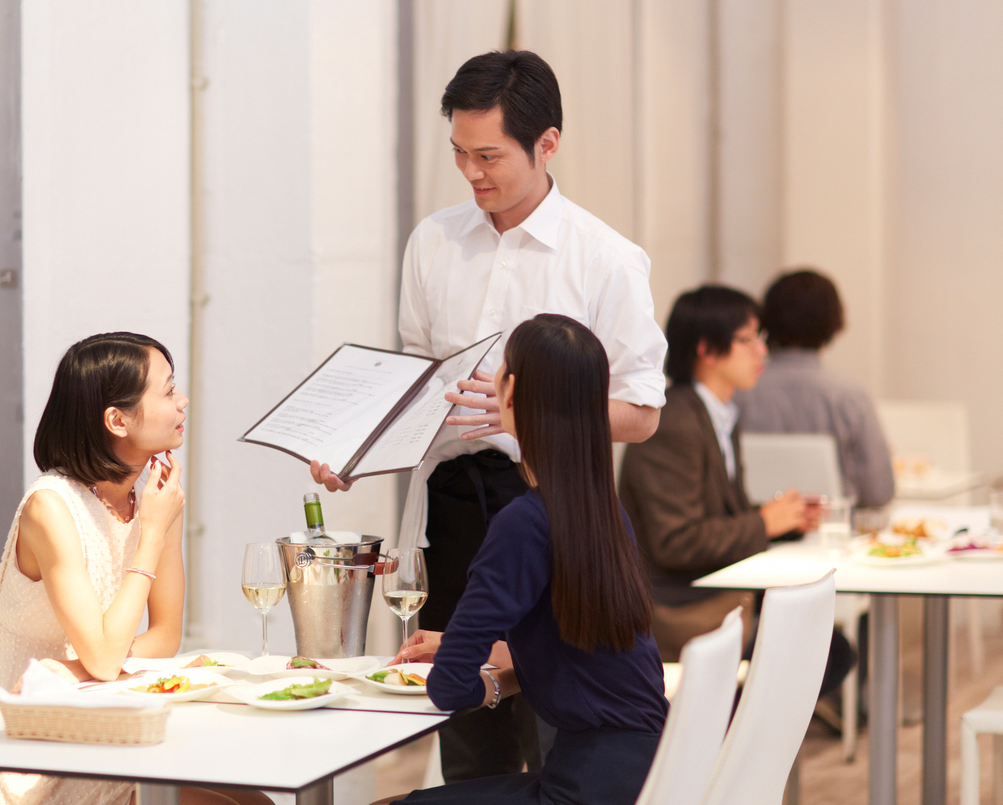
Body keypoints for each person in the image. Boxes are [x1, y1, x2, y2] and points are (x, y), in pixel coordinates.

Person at [311, 50, 667, 781]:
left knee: (554, 726)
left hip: (552, 512)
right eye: (459, 155)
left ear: (547, 144)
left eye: (489, 155)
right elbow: (414, 384)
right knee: (465, 730)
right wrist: (360, 446)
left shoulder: (606, 259)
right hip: (451, 509)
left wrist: (525, 417)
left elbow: (639, 413)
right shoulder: (435, 241)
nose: (473, 174)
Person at [0, 332, 268, 805]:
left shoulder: (156, 500)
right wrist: (151, 535)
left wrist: (69, 670)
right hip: (19, 747)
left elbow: (162, 640)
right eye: (167, 390)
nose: (182, 402)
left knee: (255, 800)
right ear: (117, 419)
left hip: (102, 721)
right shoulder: (50, 508)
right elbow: (102, 658)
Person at [379, 315, 668, 805]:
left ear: (509, 395)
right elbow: (580, 649)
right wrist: (475, 653)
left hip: (579, 789)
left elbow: (448, 688)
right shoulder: (602, 512)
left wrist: (473, 673)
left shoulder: (525, 522)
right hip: (642, 775)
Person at [617, 286, 813, 662]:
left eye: (761, 339)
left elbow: (715, 515)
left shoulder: (718, 413)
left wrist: (785, 519)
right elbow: (677, 541)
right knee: (819, 647)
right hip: (674, 608)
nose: (762, 351)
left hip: (711, 590)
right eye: (747, 340)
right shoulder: (675, 422)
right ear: (706, 349)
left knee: (821, 641)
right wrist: (763, 522)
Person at [735, 269, 895, 508]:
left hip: (754, 532)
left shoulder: (736, 394)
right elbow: (878, 491)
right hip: (833, 533)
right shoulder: (849, 397)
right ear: (834, 321)